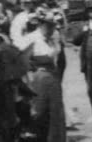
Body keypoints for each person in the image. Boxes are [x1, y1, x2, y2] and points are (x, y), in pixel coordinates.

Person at [18, 8, 66, 142]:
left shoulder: (55, 38)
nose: (50, 28)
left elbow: (60, 59)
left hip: (53, 78)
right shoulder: (31, 39)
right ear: (40, 24)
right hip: (37, 78)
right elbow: (21, 61)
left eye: (52, 25)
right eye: (47, 25)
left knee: (56, 113)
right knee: (38, 112)